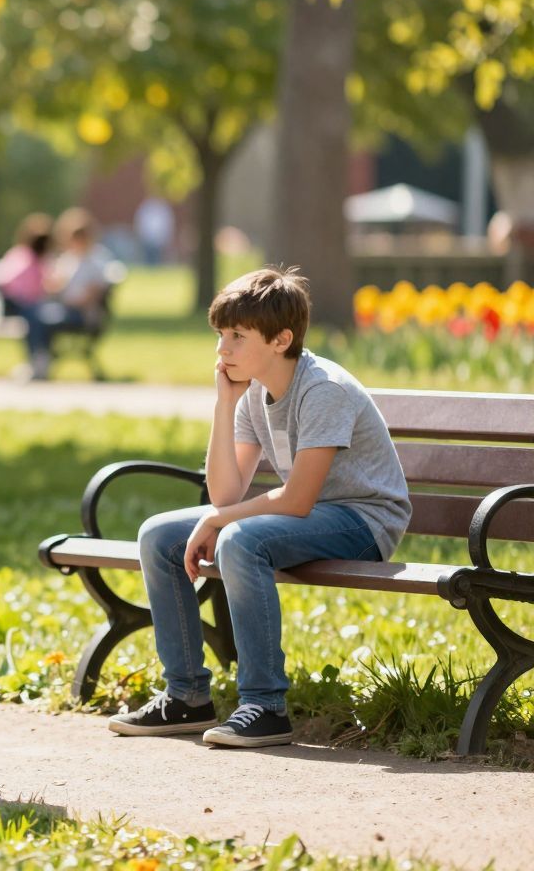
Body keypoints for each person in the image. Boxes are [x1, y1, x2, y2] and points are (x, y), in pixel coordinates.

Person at [108, 267, 410, 746]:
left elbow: (296, 498)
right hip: (309, 519)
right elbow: (226, 495)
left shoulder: (322, 389)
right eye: (220, 335)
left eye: (236, 336)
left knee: (239, 537)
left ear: (280, 339)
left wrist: (219, 518)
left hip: (362, 520)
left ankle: (264, 706)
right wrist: (224, 405)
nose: (221, 349)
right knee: (158, 536)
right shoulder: (254, 391)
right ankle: (187, 697)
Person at [26, 207, 115, 380]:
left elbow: (93, 293)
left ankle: (40, 361)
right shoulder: (68, 260)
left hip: (83, 314)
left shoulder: (97, 260)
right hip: (66, 309)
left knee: (40, 317)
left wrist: (69, 299)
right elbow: (53, 287)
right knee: (33, 314)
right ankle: (38, 360)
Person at [0, 212, 53, 324]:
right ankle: (38, 342)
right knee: (35, 316)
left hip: (29, 306)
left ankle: (40, 341)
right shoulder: (21, 256)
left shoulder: (42, 262)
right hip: (13, 304)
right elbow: (6, 281)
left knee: (44, 315)